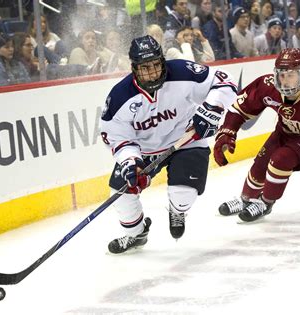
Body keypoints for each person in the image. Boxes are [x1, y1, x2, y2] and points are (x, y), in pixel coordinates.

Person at [100, 35, 237, 254]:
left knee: (182, 195)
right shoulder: (119, 97)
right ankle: (137, 235)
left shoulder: (182, 72)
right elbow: (116, 136)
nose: (153, 72)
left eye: (156, 65)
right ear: (134, 68)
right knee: (120, 194)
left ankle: (177, 209)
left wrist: (212, 109)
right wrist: (130, 162)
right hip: (145, 150)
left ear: (163, 61)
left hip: (186, 140)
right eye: (145, 68)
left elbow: (225, 81)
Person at [214, 48, 300, 222]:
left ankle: (265, 202)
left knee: (280, 160)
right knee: (260, 165)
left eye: (291, 75)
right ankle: (246, 200)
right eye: (281, 75)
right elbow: (240, 108)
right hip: (283, 133)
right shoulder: (267, 85)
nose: (284, 81)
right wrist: (228, 130)